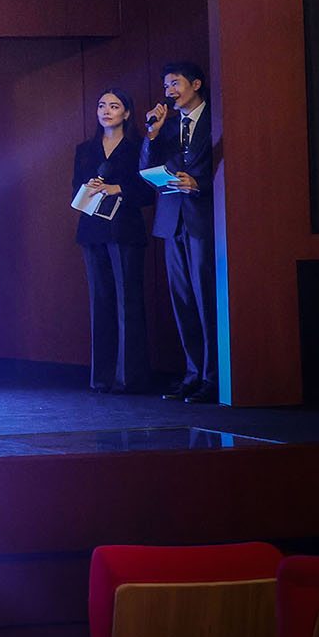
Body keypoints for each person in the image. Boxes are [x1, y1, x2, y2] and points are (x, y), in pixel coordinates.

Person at [142, 61, 218, 403]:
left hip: (203, 219)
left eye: (175, 83)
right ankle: (192, 373)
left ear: (196, 84)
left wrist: (199, 184)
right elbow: (145, 170)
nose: (169, 91)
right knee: (183, 301)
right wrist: (152, 134)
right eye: (166, 85)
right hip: (171, 222)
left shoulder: (216, 118)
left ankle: (214, 377)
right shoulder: (167, 127)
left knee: (206, 298)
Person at [71, 88, 152, 394]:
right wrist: (89, 187)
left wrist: (120, 188)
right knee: (100, 302)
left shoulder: (138, 147)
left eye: (114, 106)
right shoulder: (85, 149)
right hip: (92, 230)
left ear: (126, 113)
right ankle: (102, 376)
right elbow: (74, 191)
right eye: (102, 105)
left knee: (127, 302)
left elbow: (148, 192)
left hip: (125, 231)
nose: (106, 111)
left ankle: (128, 377)